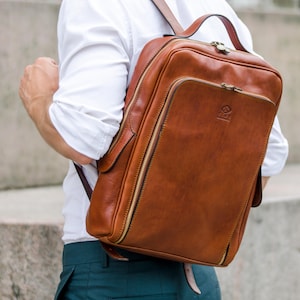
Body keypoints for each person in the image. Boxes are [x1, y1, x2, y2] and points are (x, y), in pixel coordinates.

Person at [19, 0, 289, 299]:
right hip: (198, 276)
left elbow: (82, 140)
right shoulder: (219, 11)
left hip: (114, 271)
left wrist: (39, 99)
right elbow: (268, 159)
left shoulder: (97, 5)